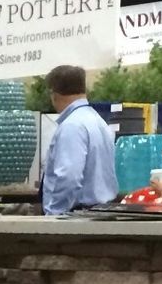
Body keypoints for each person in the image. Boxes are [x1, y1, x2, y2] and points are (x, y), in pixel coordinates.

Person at [39, 65, 118, 216]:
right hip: (100, 212)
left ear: (54, 94)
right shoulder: (98, 121)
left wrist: (54, 213)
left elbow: (69, 176)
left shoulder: (72, 126)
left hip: (76, 217)